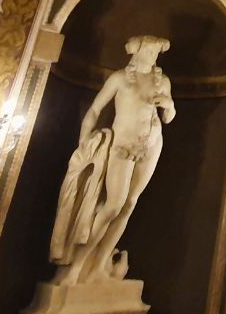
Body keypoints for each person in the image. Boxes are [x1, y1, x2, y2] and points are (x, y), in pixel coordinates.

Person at [50, 35, 175, 285]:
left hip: (151, 145)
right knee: (113, 205)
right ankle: (77, 266)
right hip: (122, 145)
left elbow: (169, 117)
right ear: (135, 52)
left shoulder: (163, 81)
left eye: (155, 53)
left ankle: (99, 266)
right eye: (147, 52)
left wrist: (169, 104)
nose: (152, 57)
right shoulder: (119, 78)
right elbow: (95, 109)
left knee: (129, 204)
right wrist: (84, 139)